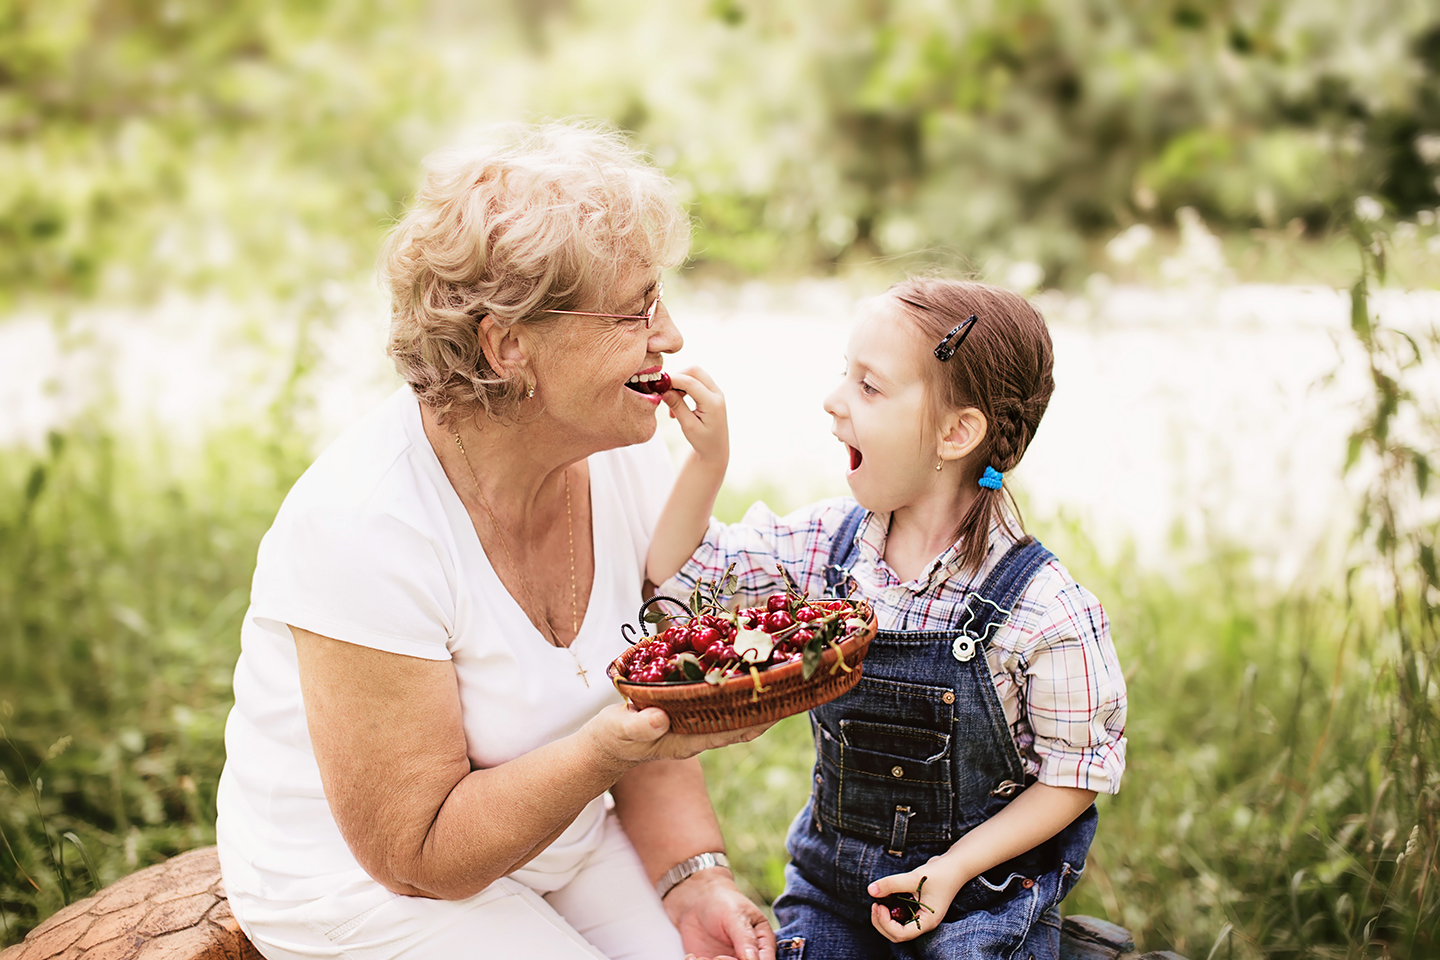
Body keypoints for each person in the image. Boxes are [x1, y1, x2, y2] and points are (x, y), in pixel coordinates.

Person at [215, 121, 779, 960]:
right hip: (369, 886)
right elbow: (417, 854)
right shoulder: (363, 526)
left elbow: (650, 706)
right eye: (635, 312)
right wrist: (613, 742)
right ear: (509, 345)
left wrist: (696, 880)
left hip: (557, 839)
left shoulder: (624, 457)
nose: (671, 339)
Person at [646, 278, 1127, 958]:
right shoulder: (828, 551)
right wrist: (708, 460)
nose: (834, 400)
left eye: (869, 386)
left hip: (980, 891)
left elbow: (1076, 774)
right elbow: (678, 582)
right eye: (847, 375)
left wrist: (952, 869)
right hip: (836, 884)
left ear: (958, 433)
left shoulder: (1040, 607)